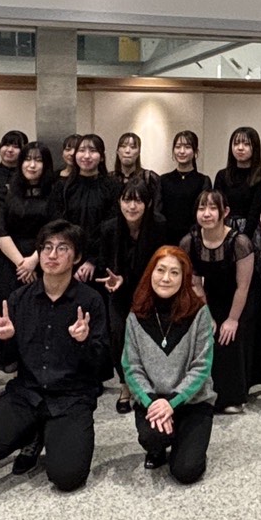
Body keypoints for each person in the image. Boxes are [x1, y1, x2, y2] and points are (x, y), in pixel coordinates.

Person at [0, 220, 111, 492]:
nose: (52, 255)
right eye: (46, 247)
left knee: (67, 477)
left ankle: (47, 432)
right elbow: (7, 361)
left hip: (71, 397)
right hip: (27, 393)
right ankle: (32, 431)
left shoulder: (90, 300)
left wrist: (84, 342)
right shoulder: (19, 298)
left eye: (62, 248)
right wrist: (5, 339)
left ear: (76, 257)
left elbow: (101, 364)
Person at [121, 245, 216, 484]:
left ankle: (186, 442)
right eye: (160, 270)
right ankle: (159, 447)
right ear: (150, 273)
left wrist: (172, 402)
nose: (166, 278)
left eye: (174, 273)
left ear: (184, 278)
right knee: (153, 437)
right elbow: (132, 367)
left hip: (192, 401)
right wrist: (154, 402)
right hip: (153, 401)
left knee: (186, 471)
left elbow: (201, 367)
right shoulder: (136, 315)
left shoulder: (199, 313)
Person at [178, 190, 254, 413]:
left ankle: (232, 398)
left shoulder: (240, 242)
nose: (206, 214)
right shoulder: (189, 242)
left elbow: (243, 286)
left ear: (225, 212)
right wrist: (207, 315)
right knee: (205, 335)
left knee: (229, 337)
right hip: (207, 297)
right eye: (202, 208)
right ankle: (202, 393)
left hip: (240, 298)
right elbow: (195, 284)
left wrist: (232, 320)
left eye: (212, 208)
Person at [97, 175, 164, 411]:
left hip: (153, 293)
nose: (132, 206)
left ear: (148, 203)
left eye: (138, 201)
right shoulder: (109, 228)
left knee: (150, 336)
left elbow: (162, 265)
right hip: (120, 292)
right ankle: (125, 385)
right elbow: (104, 263)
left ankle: (148, 385)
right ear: (119, 202)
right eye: (127, 200)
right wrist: (114, 280)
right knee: (118, 334)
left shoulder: (159, 226)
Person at [213, 125, 261, 387]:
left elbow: (254, 213)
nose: (240, 148)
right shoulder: (222, 175)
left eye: (246, 144)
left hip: (249, 238)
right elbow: (218, 208)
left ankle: (251, 373)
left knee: (251, 299)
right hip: (222, 233)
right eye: (236, 143)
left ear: (254, 148)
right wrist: (224, 238)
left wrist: (240, 242)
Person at [49, 133, 119, 283]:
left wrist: (92, 260)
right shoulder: (62, 186)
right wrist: (72, 256)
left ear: (101, 157)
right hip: (67, 256)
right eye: (81, 150)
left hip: (101, 260)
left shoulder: (112, 186)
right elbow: (57, 223)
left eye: (93, 151)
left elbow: (111, 225)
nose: (86, 156)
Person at [0, 142, 56, 301]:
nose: (32, 165)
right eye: (27, 159)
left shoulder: (55, 192)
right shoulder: (5, 191)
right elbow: (0, 230)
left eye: (38, 160)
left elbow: (55, 229)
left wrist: (34, 260)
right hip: (10, 260)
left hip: (44, 257)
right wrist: (22, 264)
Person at [0, 129, 29, 294]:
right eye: (6, 145)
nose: (9, 150)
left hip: (18, 242)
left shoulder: (27, 176)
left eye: (16, 146)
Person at [159, 130, 212, 244]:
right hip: (166, 238)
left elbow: (204, 211)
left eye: (187, 147)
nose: (182, 151)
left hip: (194, 238)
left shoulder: (203, 180)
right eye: (178, 147)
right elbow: (158, 211)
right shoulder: (163, 180)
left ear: (195, 151)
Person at [112, 131, 160, 204]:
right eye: (123, 146)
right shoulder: (109, 179)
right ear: (117, 151)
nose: (127, 151)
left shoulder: (149, 178)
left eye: (133, 147)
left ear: (139, 152)